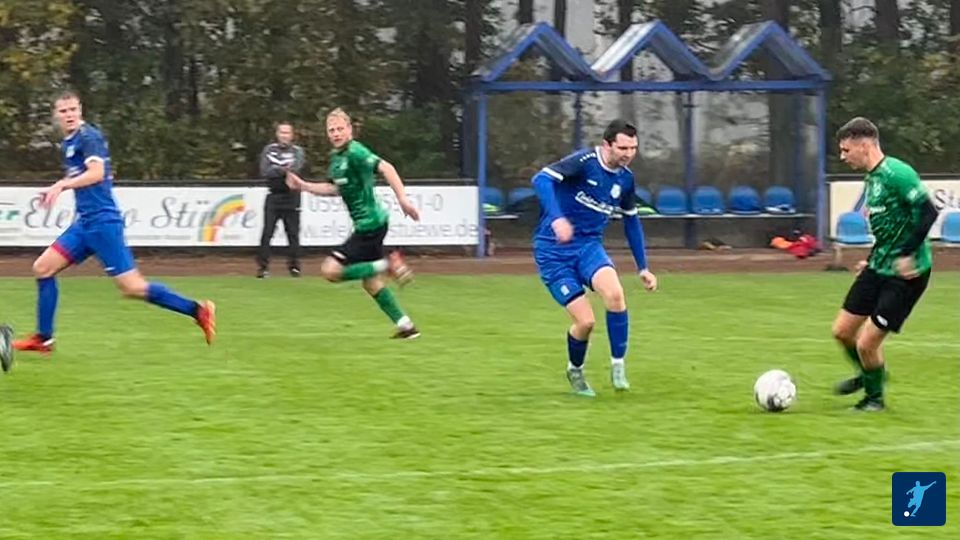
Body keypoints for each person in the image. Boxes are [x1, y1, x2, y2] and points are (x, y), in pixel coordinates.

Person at [12, 90, 216, 354]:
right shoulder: (69, 143)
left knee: (132, 287)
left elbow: (97, 173)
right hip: (85, 224)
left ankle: (197, 310)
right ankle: (44, 338)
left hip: (103, 225)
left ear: (80, 110)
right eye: (63, 111)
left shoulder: (89, 137)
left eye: (73, 109)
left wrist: (62, 185)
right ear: (56, 115)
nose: (69, 115)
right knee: (42, 268)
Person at [531, 119, 657, 397]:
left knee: (615, 295)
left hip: (588, 246)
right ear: (607, 145)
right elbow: (540, 179)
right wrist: (557, 219)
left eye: (633, 148)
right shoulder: (584, 162)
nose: (628, 154)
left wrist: (643, 267)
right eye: (623, 148)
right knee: (586, 322)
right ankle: (575, 369)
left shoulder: (625, 179)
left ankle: (618, 366)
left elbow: (631, 221)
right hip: (553, 251)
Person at [830, 117, 938, 411]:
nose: (843, 156)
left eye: (846, 150)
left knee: (867, 343)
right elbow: (890, 228)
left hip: (907, 275)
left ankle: (874, 399)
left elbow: (929, 212)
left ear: (864, 145)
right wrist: (871, 259)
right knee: (842, 331)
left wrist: (905, 254)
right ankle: (869, 373)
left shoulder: (897, 174)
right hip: (879, 266)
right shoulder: (872, 178)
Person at [285, 108, 421, 339]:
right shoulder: (337, 158)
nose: (336, 133)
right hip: (370, 225)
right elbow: (333, 188)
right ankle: (407, 327)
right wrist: (304, 186)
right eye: (332, 130)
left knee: (330, 270)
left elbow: (386, 167)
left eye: (340, 129)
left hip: (370, 225)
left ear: (350, 130)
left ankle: (387, 264)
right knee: (370, 283)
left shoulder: (356, 151)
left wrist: (403, 199)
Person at [256, 122, 307, 278]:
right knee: (267, 232)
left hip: (292, 196)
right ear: (277, 134)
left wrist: (277, 168)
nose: (284, 135)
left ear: (292, 135)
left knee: (293, 233)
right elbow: (265, 171)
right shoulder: (269, 150)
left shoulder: (297, 151)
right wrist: (283, 169)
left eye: (287, 133)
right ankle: (263, 267)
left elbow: (296, 168)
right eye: (282, 132)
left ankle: (294, 267)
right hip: (274, 195)